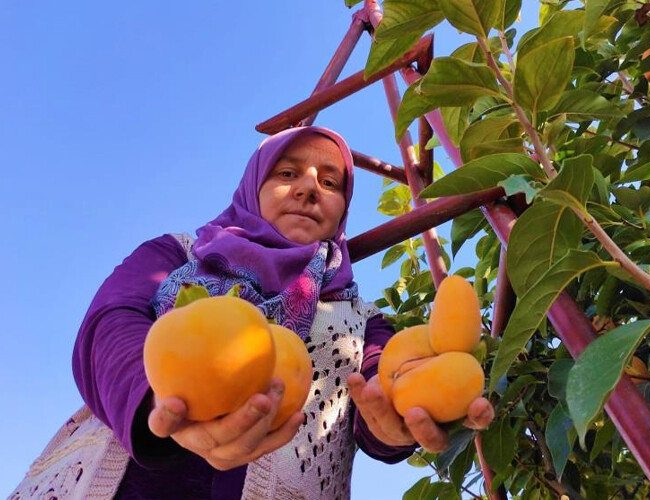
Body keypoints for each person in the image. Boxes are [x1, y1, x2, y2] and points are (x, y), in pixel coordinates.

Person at [11, 126, 494, 500]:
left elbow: (378, 388)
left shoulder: (361, 319)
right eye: (287, 174)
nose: (309, 189)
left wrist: (395, 424)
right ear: (252, 186)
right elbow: (110, 323)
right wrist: (156, 400)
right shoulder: (179, 254)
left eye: (331, 182)